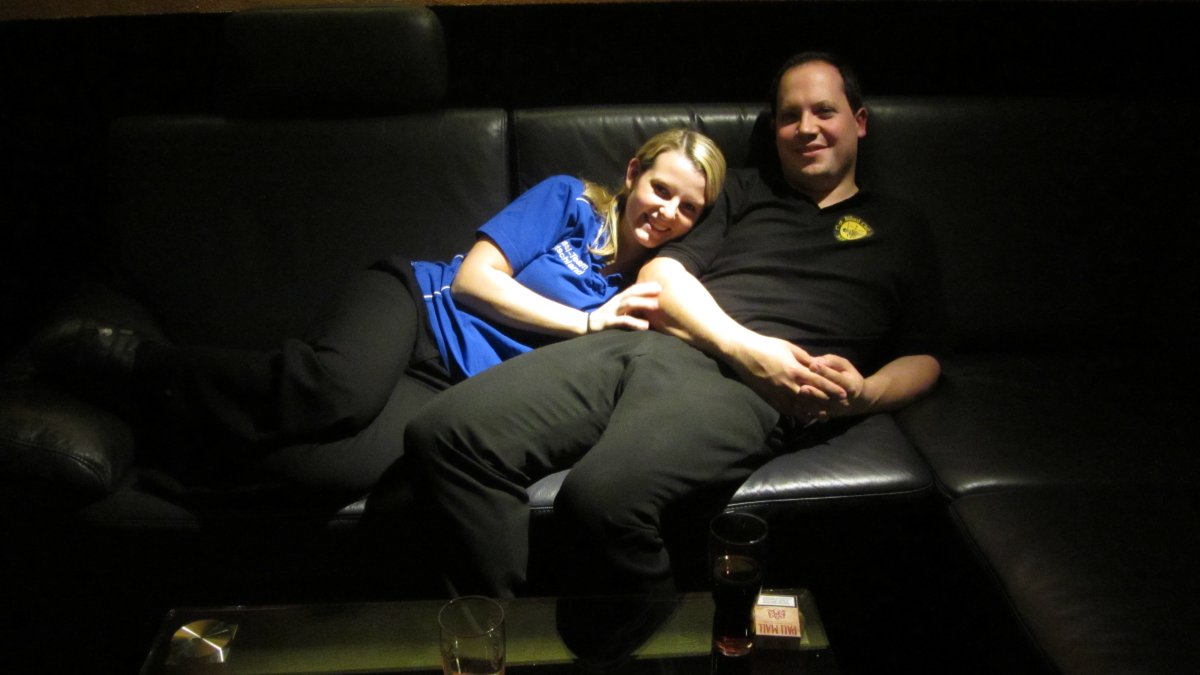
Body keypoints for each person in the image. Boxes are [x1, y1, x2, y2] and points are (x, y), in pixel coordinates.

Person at [403, 52, 944, 598]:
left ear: (860, 121)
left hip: (751, 392)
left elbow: (925, 355)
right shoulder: (742, 191)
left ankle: (657, 630)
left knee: (600, 501)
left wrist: (863, 395)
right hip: (651, 346)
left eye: (824, 111)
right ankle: (503, 630)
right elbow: (662, 273)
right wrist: (748, 349)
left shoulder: (902, 227)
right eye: (789, 115)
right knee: (445, 435)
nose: (805, 128)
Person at [31, 128, 727, 466]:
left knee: (334, 471)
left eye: (688, 207)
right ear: (633, 174)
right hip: (418, 303)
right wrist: (586, 323)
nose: (667, 212)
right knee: (331, 389)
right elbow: (473, 280)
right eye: (661, 188)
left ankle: (160, 446)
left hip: (446, 382)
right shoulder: (571, 201)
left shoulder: (651, 285)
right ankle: (129, 360)